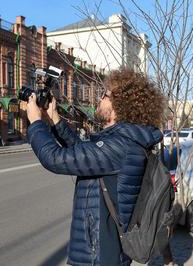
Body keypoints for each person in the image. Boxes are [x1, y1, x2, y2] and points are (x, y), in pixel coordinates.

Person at [26, 68, 166, 266]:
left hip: (98, 255)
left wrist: (35, 122)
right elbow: (82, 153)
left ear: (120, 104)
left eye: (104, 94)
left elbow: (55, 159)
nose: (99, 99)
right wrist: (55, 120)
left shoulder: (119, 145)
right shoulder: (121, 141)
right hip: (102, 251)